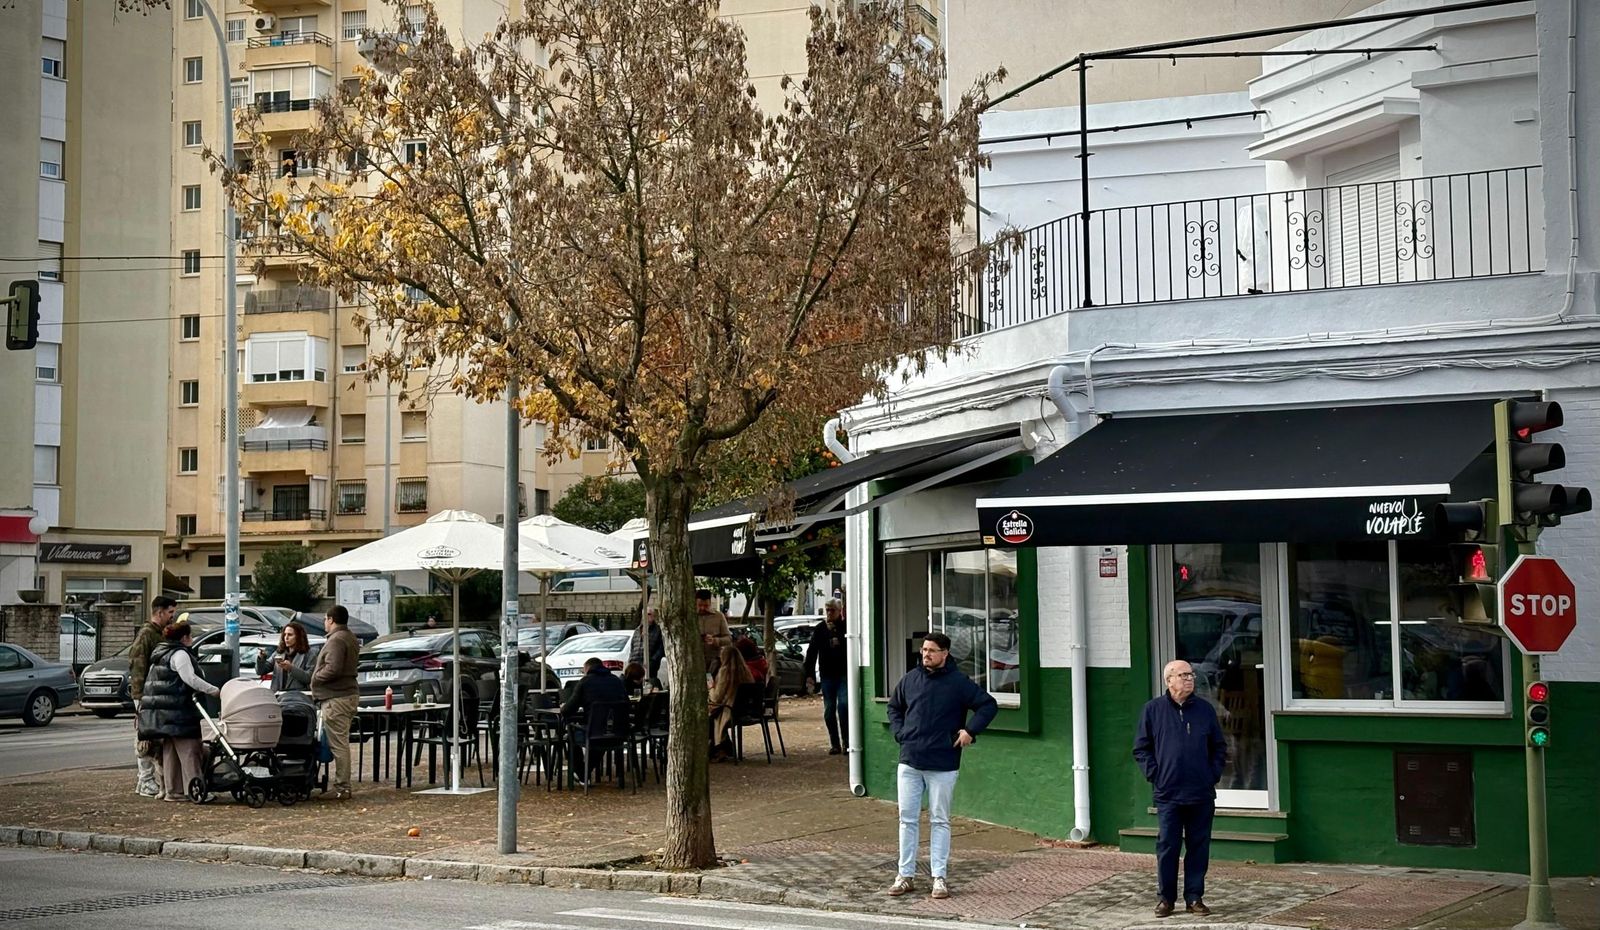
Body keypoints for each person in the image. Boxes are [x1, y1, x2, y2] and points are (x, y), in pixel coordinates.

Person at [886, 631, 998, 900]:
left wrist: (970, 731)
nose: (926, 654)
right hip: (910, 761)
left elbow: (988, 705)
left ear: (945, 654)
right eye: (924, 650)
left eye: (932, 651)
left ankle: (939, 877)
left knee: (940, 820)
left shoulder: (958, 683)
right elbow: (894, 707)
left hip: (943, 763)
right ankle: (905, 875)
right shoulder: (910, 679)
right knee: (907, 819)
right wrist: (900, 733)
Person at [1133, 659, 1226, 919]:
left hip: (1200, 792)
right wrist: (1156, 775)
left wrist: (1211, 775)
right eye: (1183, 675)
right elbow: (1141, 749)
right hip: (1169, 793)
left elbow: (1218, 747)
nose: (1189, 679)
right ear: (1169, 680)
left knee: (1198, 846)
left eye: (1191, 675)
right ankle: (1166, 899)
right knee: (1168, 846)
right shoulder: (1153, 710)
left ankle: (1194, 897)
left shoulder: (1205, 710)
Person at [137, 620, 220, 802]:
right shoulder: (180, 654)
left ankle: (173, 791)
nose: (192, 639)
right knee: (191, 750)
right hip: (179, 711)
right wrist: (214, 690)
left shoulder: (160, 654)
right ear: (183, 638)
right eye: (190, 635)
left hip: (163, 713)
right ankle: (195, 790)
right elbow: (190, 678)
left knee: (171, 753)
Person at [310, 605, 361, 800]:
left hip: (336, 697)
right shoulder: (350, 637)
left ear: (331, 619)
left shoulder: (336, 640)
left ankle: (342, 786)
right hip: (347, 694)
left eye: (325, 619)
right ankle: (342, 785)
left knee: (338, 744)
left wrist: (316, 677)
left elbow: (333, 668)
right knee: (342, 741)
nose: (324, 622)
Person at [128, 596, 176, 798]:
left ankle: (145, 780)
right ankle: (146, 780)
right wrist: (139, 698)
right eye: (170, 612)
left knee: (152, 735)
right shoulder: (147, 634)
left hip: (154, 693)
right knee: (145, 737)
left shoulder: (158, 633)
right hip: (146, 694)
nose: (172, 617)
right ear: (160, 612)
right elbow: (137, 665)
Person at [804, 598, 849, 755]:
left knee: (843, 706)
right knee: (829, 710)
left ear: (839, 611)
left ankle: (847, 742)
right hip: (827, 675)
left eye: (832, 610)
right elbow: (812, 652)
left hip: (843, 674)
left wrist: (838, 637)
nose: (829, 613)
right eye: (827, 610)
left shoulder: (845, 627)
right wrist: (809, 674)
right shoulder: (820, 629)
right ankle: (834, 743)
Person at [707, 644, 752, 761]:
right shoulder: (745, 671)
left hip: (729, 710)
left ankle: (719, 749)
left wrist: (710, 687)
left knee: (709, 716)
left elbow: (716, 697)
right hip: (744, 710)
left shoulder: (725, 672)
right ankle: (724, 748)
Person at [269, 620, 316, 693]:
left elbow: (309, 678)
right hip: (279, 695)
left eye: (290, 635)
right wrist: (261, 658)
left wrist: (291, 668)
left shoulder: (309, 654)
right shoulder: (280, 652)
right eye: (285, 634)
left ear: (298, 637)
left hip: (298, 696)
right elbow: (262, 670)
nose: (286, 637)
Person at [696, 589, 730, 677]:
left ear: (710, 603)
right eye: (700, 605)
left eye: (706, 605)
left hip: (714, 663)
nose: (702, 608)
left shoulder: (719, 616)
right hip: (695, 662)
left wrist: (715, 640)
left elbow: (728, 639)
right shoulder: (690, 617)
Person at [628, 607, 665, 685]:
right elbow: (633, 646)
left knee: (649, 683)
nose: (647, 616)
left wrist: (653, 660)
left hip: (649, 665)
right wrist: (630, 660)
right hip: (635, 663)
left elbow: (661, 648)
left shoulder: (658, 630)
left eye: (649, 614)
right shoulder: (637, 630)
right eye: (645, 614)